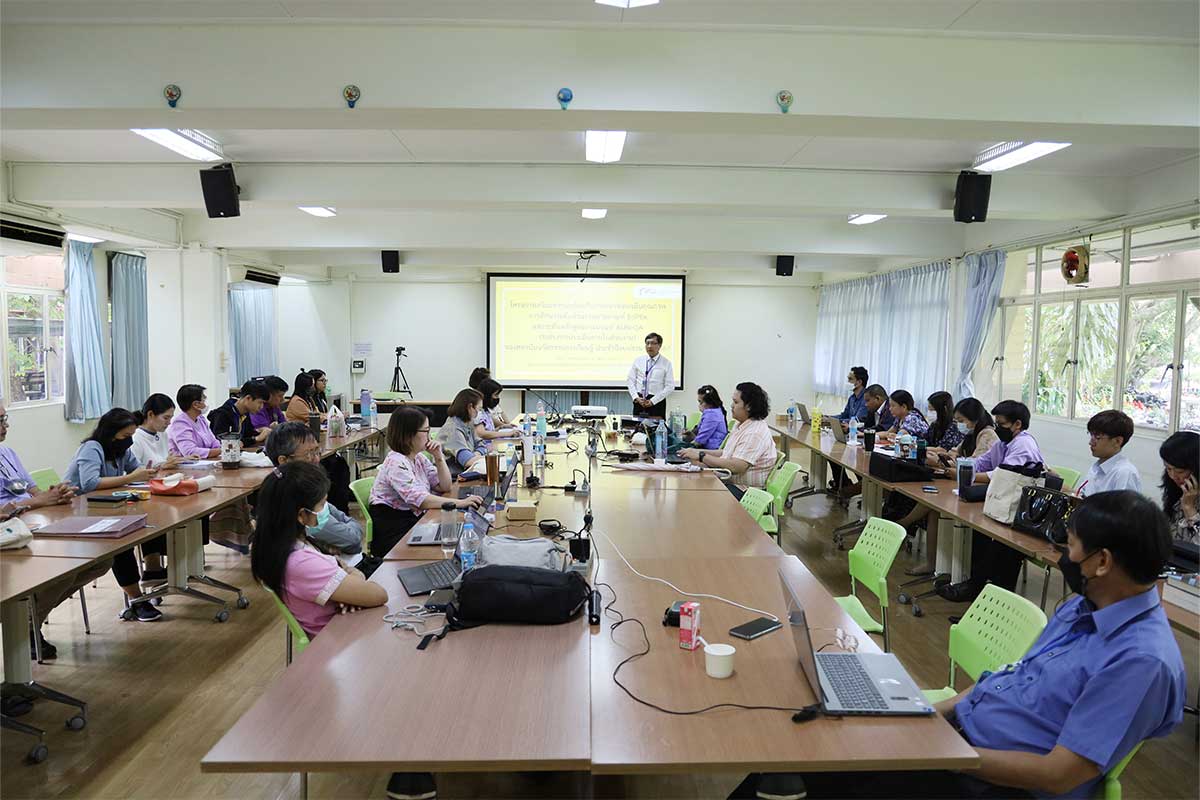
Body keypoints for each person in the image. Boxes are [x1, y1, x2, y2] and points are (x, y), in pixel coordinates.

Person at [734, 491, 1185, 800]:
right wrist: (925, 714)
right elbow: (1008, 679)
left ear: (1102, 562)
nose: (1062, 557)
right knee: (798, 754)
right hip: (957, 742)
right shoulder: (1086, 605)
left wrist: (943, 753)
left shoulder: (1140, 662)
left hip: (991, 783)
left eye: (1070, 548)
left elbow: (1060, 775)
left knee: (815, 773)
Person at [0, 405, 107, 661]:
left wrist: (56, 495)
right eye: (1, 419)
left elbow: (34, 492)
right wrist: (35, 502)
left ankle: (28, 622)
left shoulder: (7, 452)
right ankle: (26, 628)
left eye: (5, 418)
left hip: (31, 525)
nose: (6, 424)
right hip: (9, 537)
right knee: (64, 569)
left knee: (101, 560)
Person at [65, 408, 166, 622]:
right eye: (125, 436)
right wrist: (131, 477)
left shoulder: (120, 450)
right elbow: (90, 483)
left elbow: (136, 469)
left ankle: (153, 571)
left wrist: (149, 472)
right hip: (79, 513)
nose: (128, 441)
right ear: (111, 433)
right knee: (121, 542)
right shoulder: (92, 448)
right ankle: (137, 600)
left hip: (106, 508)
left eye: (131, 435)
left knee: (149, 521)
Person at [939, 400, 1045, 601]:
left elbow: (1000, 475)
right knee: (978, 530)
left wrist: (964, 474)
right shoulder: (1004, 443)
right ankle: (974, 585)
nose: (997, 428)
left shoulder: (1024, 445)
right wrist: (960, 466)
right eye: (996, 423)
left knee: (996, 543)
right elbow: (981, 462)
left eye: (1002, 424)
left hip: (1020, 512)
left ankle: (984, 592)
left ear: (1017, 424)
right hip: (1003, 503)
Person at [265, 423, 381, 577]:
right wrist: (349, 529)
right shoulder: (300, 503)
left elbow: (345, 521)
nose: (316, 459)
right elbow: (353, 541)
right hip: (345, 572)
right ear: (284, 460)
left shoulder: (303, 490)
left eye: (317, 451)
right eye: (309, 454)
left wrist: (347, 530)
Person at [367, 407, 484, 558]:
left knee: (456, 535)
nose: (429, 436)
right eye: (426, 431)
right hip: (394, 532)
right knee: (448, 544)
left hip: (413, 520)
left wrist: (439, 457)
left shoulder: (418, 458)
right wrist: (461, 503)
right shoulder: (395, 462)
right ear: (408, 435)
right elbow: (421, 501)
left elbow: (444, 486)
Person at [902, 398, 998, 577]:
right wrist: (942, 459)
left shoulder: (987, 435)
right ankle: (932, 562)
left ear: (974, 419)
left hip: (979, 489)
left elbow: (975, 465)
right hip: (963, 482)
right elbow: (954, 453)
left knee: (934, 501)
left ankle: (904, 524)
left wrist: (943, 464)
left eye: (961, 420)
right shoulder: (971, 433)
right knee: (932, 504)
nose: (959, 424)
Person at [679, 382, 777, 498]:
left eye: (736, 402)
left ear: (749, 406)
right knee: (689, 479)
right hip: (730, 481)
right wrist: (696, 452)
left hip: (744, 491)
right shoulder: (742, 424)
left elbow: (737, 467)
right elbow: (726, 452)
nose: (732, 406)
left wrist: (701, 456)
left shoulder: (754, 433)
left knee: (693, 492)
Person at [1078, 410, 1141, 498]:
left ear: (1117, 441)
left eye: (1097, 437)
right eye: (1091, 435)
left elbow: (1124, 507)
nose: (1091, 442)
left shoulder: (1125, 473)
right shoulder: (1097, 467)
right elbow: (1083, 495)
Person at [436, 388, 489, 478]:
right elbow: (468, 461)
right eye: (479, 409)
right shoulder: (453, 428)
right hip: (454, 476)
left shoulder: (468, 422)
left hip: (465, 470)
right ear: (470, 407)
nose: (480, 413)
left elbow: (482, 446)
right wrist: (493, 459)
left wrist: (476, 455)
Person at [1159, 431, 1199, 543]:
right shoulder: (1176, 487)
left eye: (1180, 471)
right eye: (1168, 468)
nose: (1173, 476)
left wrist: (1189, 508)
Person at [208, 380, 272, 446]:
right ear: (248, 398)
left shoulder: (245, 414)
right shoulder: (223, 414)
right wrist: (256, 438)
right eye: (260, 402)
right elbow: (225, 443)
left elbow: (247, 436)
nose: (261, 407)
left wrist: (260, 432)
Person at [626, 332, 675, 418]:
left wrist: (653, 401)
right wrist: (636, 397)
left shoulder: (666, 363)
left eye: (653, 343)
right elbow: (630, 380)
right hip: (639, 400)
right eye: (647, 343)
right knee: (636, 425)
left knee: (656, 426)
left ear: (659, 345)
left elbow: (670, 386)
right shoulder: (638, 360)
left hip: (657, 402)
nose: (649, 346)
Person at [131, 393, 185, 471]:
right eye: (166, 418)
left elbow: (164, 460)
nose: (169, 423)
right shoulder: (135, 438)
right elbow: (132, 472)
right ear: (150, 414)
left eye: (170, 418)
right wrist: (160, 467)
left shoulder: (162, 434)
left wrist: (182, 460)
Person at [167, 384, 222, 459]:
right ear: (196, 405)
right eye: (203, 400)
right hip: (185, 464)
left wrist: (221, 448)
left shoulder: (201, 419)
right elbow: (190, 452)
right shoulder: (180, 423)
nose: (205, 403)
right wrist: (221, 451)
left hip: (206, 461)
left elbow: (214, 442)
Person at [685, 384, 729, 450]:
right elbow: (700, 438)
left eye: (700, 402)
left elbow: (698, 442)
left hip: (710, 450)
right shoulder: (716, 411)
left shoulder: (712, 415)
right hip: (707, 448)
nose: (699, 405)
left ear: (709, 403)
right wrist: (691, 434)